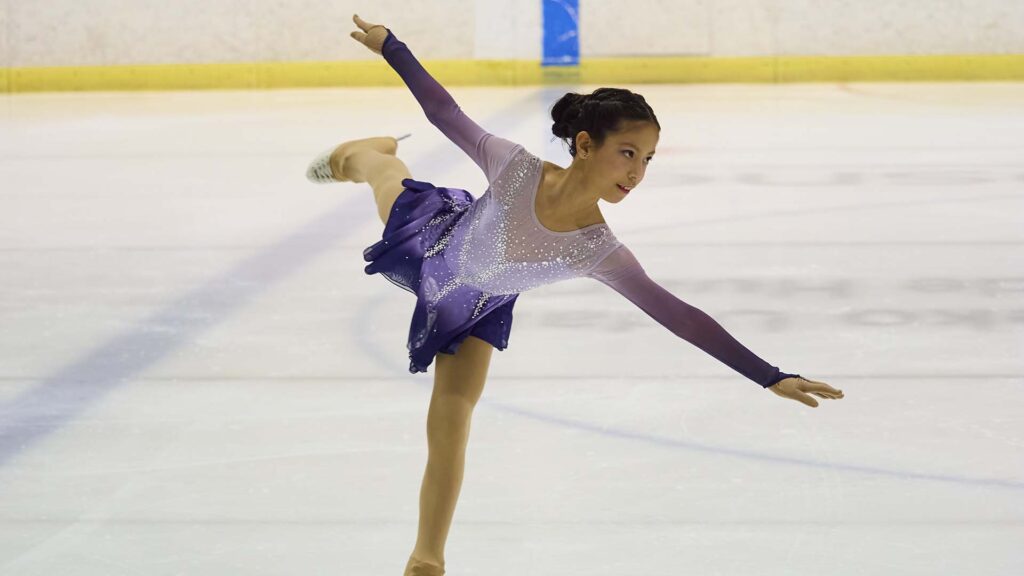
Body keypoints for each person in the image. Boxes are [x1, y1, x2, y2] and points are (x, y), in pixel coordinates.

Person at [308, 15, 845, 576]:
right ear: (585, 144)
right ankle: (365, 152)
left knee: (451, 419)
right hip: (435, 241)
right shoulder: (515, 170)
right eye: (628, 153)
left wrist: (769, 375)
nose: (637, 172)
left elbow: (680, 317)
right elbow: (445, 113)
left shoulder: (598, 250)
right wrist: (392, 47)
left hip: (474, 309)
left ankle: (427, 560)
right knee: (386, 181)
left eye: (647, 159)